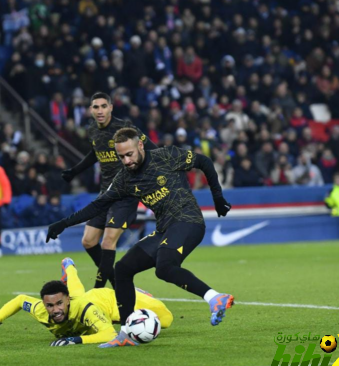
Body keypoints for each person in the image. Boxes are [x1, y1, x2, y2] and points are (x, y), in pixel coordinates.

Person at [46, 127, 233, 348]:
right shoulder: (124, 179)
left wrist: (218, 198)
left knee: (164, 267)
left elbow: (204, 162)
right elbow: (98, 205)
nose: (126, 160)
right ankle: (125, 332)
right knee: (123, 269)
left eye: (129, 154)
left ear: (140, 146)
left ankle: (214, 297)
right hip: (164, 228)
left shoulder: (166, 156)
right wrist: (64, 223)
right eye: (121, 156)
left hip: (187, 220)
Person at [60, 92, 157, 288]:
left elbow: (152, 149)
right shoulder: (93, 129)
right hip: (105, 194)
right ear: (90, 110)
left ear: (111, 107)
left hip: (125, 194)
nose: (100, 111)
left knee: (107, 243)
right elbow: (94, 153)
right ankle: (117, 282)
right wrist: (75, 171)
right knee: (88, 241)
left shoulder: (124, 129)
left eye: (104, 106)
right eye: (96, 107)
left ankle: (98, 290)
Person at [0, 258, 173, 346]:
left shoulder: (83, 309)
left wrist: (76, 340)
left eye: (58, 304)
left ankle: (135, 291)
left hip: (109, 301)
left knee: (165, 320)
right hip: (79, 297)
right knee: (76, 290)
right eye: (50, 306)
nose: (54, 310)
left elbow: (109, 334)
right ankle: (69, 268)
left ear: (66, 302)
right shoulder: (42, 309)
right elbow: (20, 300)